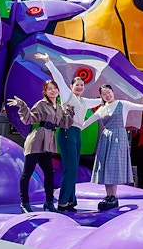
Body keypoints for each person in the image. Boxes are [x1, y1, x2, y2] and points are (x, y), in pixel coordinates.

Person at [82, 84, 143, 210]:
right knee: (105, 167)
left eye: (108, 92)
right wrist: (74, 128)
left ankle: (114, 196)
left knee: (113, 166)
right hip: (106, 138)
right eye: (104, 94)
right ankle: (108, 196)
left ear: (113, 92)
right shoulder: (101, 109)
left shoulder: (122, 104)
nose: (107, 95)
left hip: (118, 137)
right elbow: (88, 122)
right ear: (101, 96)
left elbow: (141, 107)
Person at [35, 52, 101, 211]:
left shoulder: (85, 101)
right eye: (77, 84)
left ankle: (71, 201)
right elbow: (58, 77)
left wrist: (113, 99)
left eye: (82, 85)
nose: (79, 87)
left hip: (77, 134)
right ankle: (63, 201)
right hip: (66, 132)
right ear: (71, 87)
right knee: (70, 168)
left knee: (74, 167)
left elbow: (103, 100)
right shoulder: (67, 96)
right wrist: (48, 61)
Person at [7, 80, 74, 213]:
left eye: (55, 88)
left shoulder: (59, 107)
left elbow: (65, 124)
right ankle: (24, 203)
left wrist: (70, 111)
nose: (53, 91)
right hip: (36, 140)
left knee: (49, 173)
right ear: (45, 92)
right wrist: (21, 105)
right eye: (50, 89)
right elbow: (29, 119)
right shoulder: (41, 104)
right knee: (28, 173)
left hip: (48, 142)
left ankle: (49, 202)